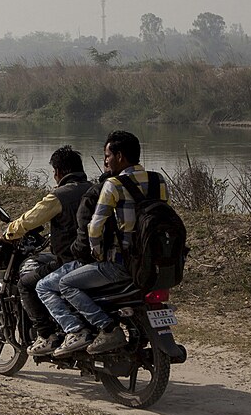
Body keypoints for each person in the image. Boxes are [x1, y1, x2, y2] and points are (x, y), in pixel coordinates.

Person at [52, 130, 169, 357]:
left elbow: (94, 227)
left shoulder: (114, 184)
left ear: (120, 156)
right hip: (153, 263)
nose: (105, 161)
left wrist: (97, 255)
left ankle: (106, 328)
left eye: (108, 156)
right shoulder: (158, 180)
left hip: (121, 265)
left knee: (66, 284)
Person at [2, 145, 92, 356]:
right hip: (94, 258)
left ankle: (47, 335)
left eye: (54, 172)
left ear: (59, 172)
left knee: (26, 283)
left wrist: (9, 232)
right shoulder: (95, 190)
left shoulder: (59, 196)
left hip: (70, 260)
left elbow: (30, 219)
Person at [33, 168, 115, 356]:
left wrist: (77, 252)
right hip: (134, 264)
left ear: (57, 172)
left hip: (100, 263)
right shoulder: (134, 196)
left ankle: (75, 330)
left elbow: (89, 235)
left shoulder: (93, 198)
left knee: (46, 286)